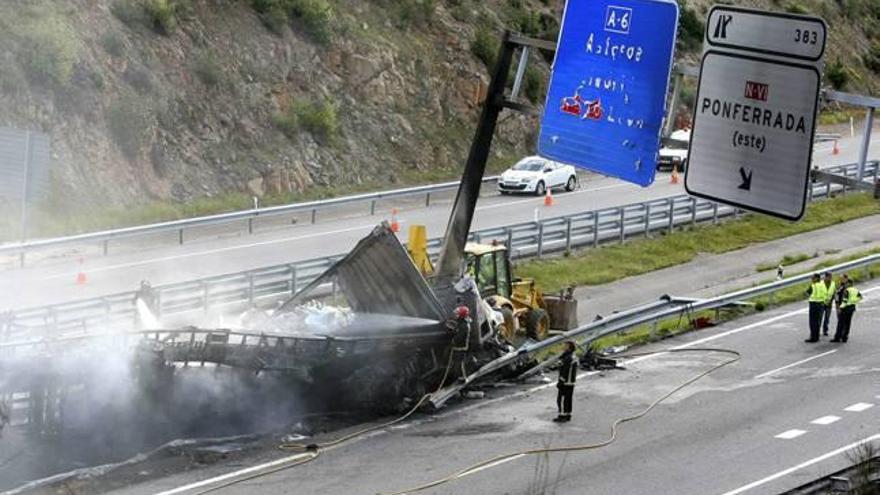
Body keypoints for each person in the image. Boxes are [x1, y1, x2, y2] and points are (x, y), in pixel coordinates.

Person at [832, 275, 863, 343]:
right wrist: (853, 302)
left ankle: (838, 337)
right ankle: (845, 337)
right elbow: (860, 297)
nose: (843, 282)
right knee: (848, 323)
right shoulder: (855, 290)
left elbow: (843, 300)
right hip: (851, 308)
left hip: (845, 308)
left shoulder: (846, 290)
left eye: (845, 281)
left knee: (841, 323)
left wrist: (839, 308)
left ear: (848, 283)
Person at [554, 341, 578, 423]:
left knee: (561, 399)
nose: (563, 346)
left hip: (566, 382)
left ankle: (562, 416)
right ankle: (568, 414)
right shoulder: (572, 356)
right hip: (571, 382)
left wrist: (560, 381)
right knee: (568, 399)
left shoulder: (568, 357)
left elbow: (565, 371)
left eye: (565, 345)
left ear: (569, 347)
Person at [803, 273, 827, 343]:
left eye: (813, 278)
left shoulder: (813, 286)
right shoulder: (822, 285)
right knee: (817, 322)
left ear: (817, 278)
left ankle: (813, 337)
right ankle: (817, 336)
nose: (812, 279)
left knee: (812, 322)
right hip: (820, 304)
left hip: (813, 304)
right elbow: (825, 294)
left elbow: (807, 293)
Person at [821, 272, 837, 336]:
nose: (830, 278)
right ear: (826, 277)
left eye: (831, 277)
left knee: (827, 318)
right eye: (829, 277)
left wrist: (835, 300)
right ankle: (817, 330)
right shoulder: (821, 283)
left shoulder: (833, 284)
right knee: (820, 318)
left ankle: (825, 330)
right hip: (821, 303)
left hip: (829, 304)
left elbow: (834, 292)